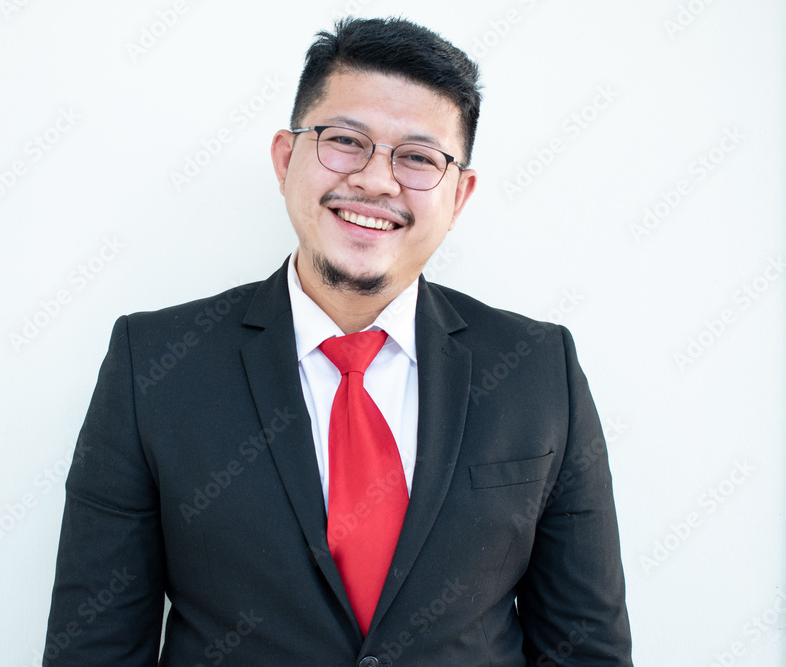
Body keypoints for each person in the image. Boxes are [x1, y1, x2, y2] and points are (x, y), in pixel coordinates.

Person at [42, 16, 633, 666]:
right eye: (346, 141)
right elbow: (92, 651)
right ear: (284, 158)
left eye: (417, 157)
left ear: (459, 195)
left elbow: (588, 651)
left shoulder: (539, 371)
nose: (377, 181)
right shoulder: (150, 366)